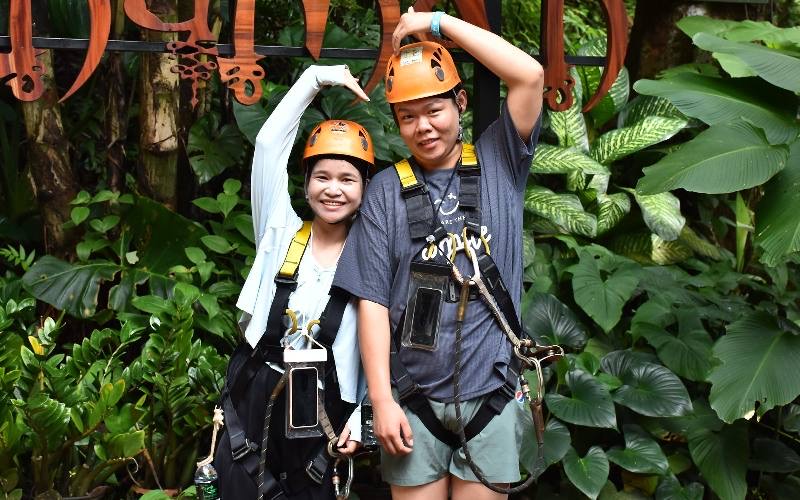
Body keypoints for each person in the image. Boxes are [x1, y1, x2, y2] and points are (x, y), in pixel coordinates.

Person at [332, 7, 545, 500]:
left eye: (435, 110)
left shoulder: (501, 159)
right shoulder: (385, 191)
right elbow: (373, 301)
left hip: (491, 390)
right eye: (408, 117)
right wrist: (381, 400)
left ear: (461, 103)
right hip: (413, 399)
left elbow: (530, 74)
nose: (424, 126)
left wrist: (437, 23)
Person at [213, 64, 373, 500]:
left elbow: (383, 354)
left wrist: (361, 422)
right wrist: (316, 79)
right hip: (255, 390)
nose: (333, 190)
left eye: (347, 179)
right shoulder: (280, 230)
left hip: (322, 407)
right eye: (322, 177)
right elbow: (267, 146)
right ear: (305, 186)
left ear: (364, 190)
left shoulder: (373, 259)